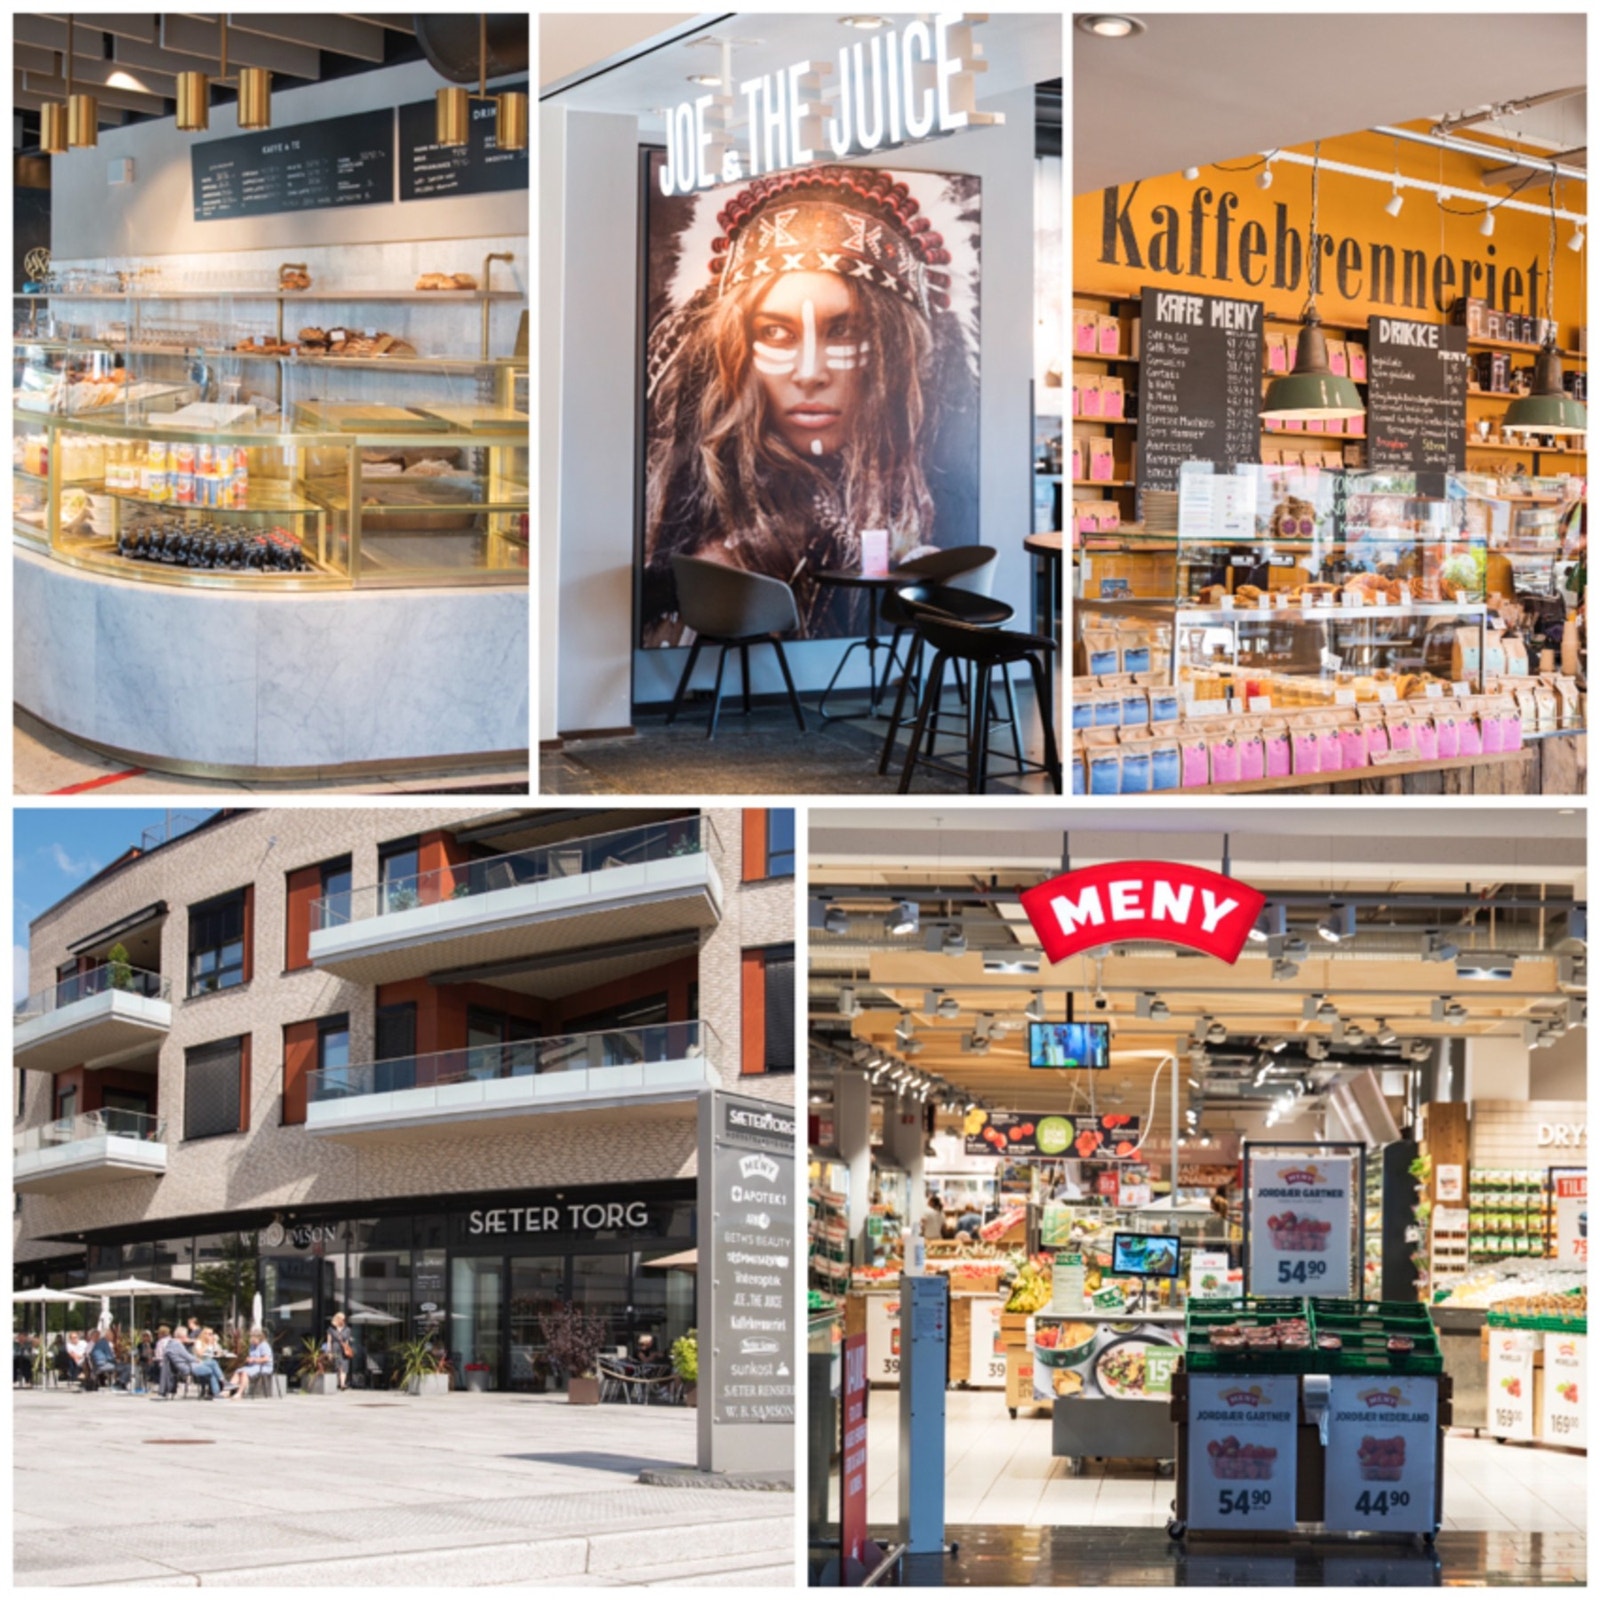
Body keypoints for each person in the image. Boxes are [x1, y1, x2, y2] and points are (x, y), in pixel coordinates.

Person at [641, 165, 969, 643]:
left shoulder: (932, 499)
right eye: (776, 331)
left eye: (845, 330)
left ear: (897, 351)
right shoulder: (717, 549)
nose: (810, 372)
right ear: (737, 350)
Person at [229, 1327, 273, 1401]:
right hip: (253, 1366)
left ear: (259, 1338)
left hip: (263, 1366)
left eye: (253, 1338)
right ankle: (227, 1391)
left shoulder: (264, 1345)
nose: (251, 1339)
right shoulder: (252, 1346)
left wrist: (253, 1360)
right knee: (238, 1371)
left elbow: (266, 1359)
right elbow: (252, 1356)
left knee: (244, 1372)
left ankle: (239, 1393)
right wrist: (248, 1359)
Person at [190, 1328, 226, 1400]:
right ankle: (224, 1382)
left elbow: (219, 1353)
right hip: (199, 1364)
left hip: (209, 1364)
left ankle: (216, 1393)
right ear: (204, 1334)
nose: (211, 1336)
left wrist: (215, 1343)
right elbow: (200, 1354)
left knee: (212, 1371)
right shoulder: (199, 1342)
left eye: (212, 1334)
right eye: (209, 1334)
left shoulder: (212, 1343)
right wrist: (208, 1344)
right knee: (213, 1362)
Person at [324, 1312, 353, 1392]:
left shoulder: (347, 1329)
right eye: (342, 1319)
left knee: (344, 1366)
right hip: (335, 1348)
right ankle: (336, 1383)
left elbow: (347, 1341)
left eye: (344, 1319)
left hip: (343, 1349)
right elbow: (329, 1341)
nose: (343, 1320)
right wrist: (329, 1351)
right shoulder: (331, 1329)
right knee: (336, 1366)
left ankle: (342, 1384)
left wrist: (347, 1348)